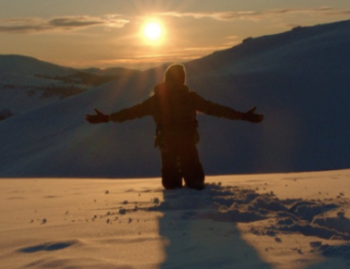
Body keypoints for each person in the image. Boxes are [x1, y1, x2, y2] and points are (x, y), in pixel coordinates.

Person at [86, 64, 263, 190]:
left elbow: (131, 112)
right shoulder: (190, 98)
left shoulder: (157, 100)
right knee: (195, 186)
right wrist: (241, 116)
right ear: (182, 79)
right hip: (188, 144)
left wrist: (108, 118)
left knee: (171, 187)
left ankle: (177, 230)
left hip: (167, 144)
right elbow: (215, 109)